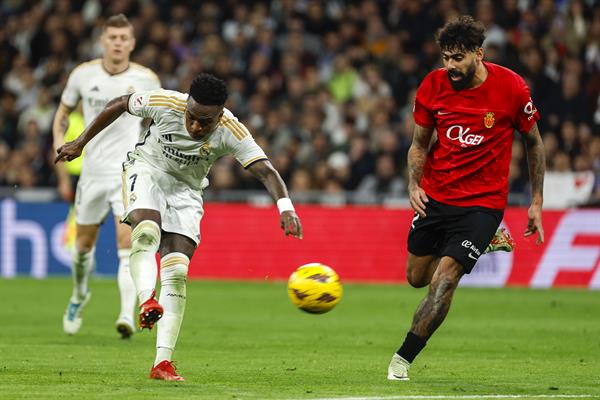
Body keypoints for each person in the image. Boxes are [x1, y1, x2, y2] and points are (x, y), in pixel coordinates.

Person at [55, 73, 304, 381]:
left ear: (220, 116)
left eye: (205, 122)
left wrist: (286, 207)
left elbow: (266, 170)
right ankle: (147, 299)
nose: (196, 126)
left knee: (176, 273)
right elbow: (120, 103)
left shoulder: (231, 130)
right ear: (187, 104)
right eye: (192, 117)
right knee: (146, 233)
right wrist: (80, 142)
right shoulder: (165, 102)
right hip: (147, 170)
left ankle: (162, 363)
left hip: (187, 192)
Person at [387, 16, 545, 381]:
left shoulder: (511, 88)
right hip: (437, 195)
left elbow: (534, 143)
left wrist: (536, 200)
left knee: (445, 279)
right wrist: (413, 185)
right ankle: (487, 244)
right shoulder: (433, 85)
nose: (450, 66)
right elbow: (419, 144)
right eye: (445, 57)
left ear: (479, 54)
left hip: (482, 204)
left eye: (457, 58)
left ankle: (402, 360)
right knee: (416, 277)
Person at [52, 14, 161, 338]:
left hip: (127, 173)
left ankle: (126, 314)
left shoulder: (146, 79)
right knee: (82, 247)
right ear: (103, 41)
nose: (117, 43)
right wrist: (59, 143)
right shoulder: (82, 75)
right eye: (112, 37)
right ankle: (78, 295)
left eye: (123, 38)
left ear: (132, 43)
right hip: (92, 174)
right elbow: (63, 113)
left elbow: (158, 119)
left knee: (127, 244)